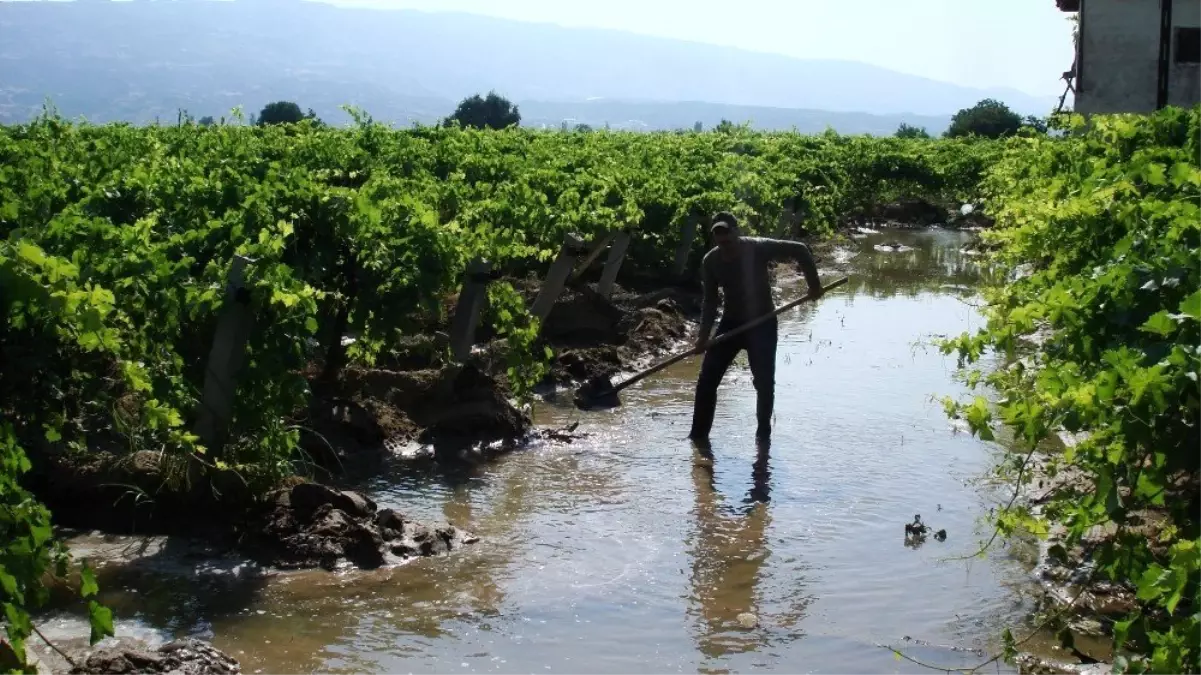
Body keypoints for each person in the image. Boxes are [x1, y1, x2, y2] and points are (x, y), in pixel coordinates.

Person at [688, 211, 823, 443]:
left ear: (737, 231)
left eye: (728, 237)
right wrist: (703, 338)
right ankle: (698, 438)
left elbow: (799, 249)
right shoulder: (711, 261)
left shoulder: (758, 247)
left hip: (762, 323)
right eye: (719, 240)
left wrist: (814, 286)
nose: (725, 244)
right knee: (707, 380)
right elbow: (710, 301)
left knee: (763, 382)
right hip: (731, 324)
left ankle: (763, 437)